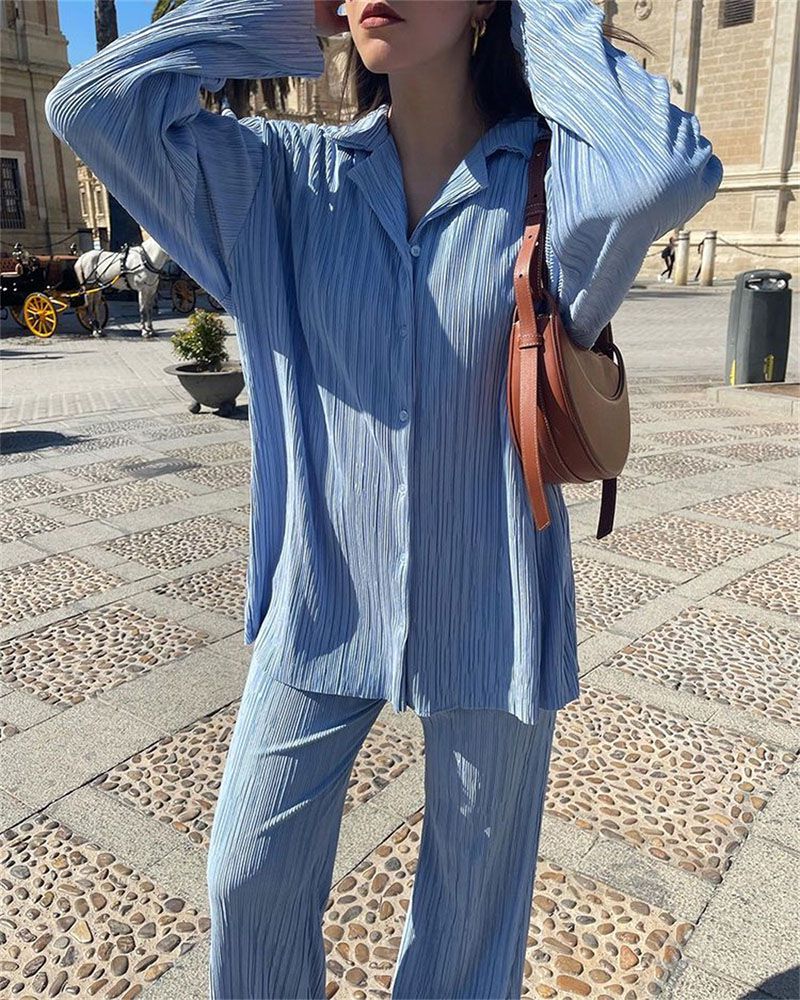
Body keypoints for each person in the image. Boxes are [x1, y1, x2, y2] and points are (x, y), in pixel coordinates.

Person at [45, 1, 723, 997]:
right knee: (247, 876)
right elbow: (90, 105)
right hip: (320, 598)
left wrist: (535, 11)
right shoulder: (284, 179)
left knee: (466, 931)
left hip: (491, 604)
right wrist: (287, 10)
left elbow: (668, 170)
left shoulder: (549, 183)